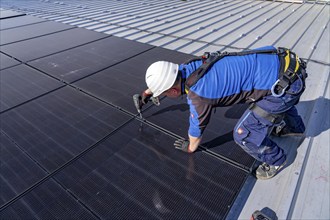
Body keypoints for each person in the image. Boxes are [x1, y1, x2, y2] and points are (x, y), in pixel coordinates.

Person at [135, 46, 307, 180]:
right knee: (270, 94)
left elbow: (196, 133)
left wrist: (189, 148)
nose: (164, 96)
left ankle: (276, 160)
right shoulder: (188, 66)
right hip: (286, 65)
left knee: (244, 133)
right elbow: (167, 77)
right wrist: (148, 93)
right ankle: (295, 128)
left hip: (287, 86)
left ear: (172, 91)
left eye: (163, 93)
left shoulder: (198, 96)